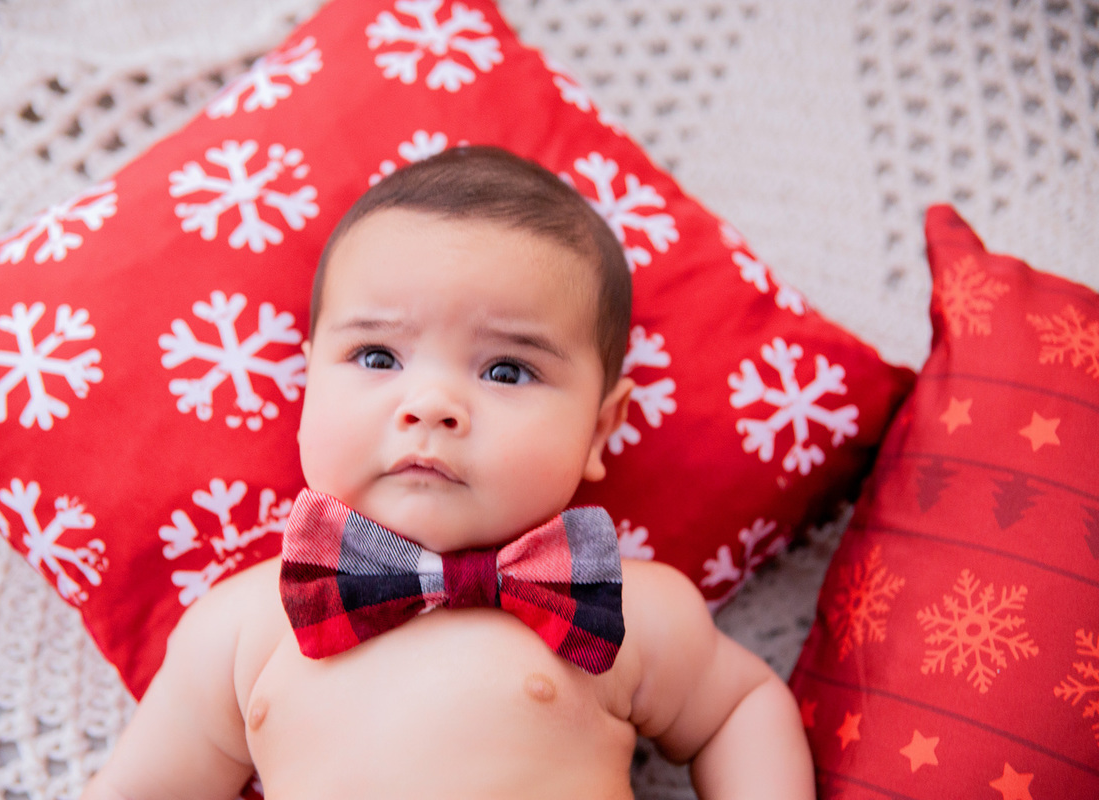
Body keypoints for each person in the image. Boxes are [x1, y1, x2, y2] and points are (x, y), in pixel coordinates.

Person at [81, 146, 814, 800]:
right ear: (306, 392)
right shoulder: (244, 625)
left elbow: (739, 710)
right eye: (377, 357)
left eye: (506, 369)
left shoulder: (621, 609)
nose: (431, 406)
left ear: (598, 430)